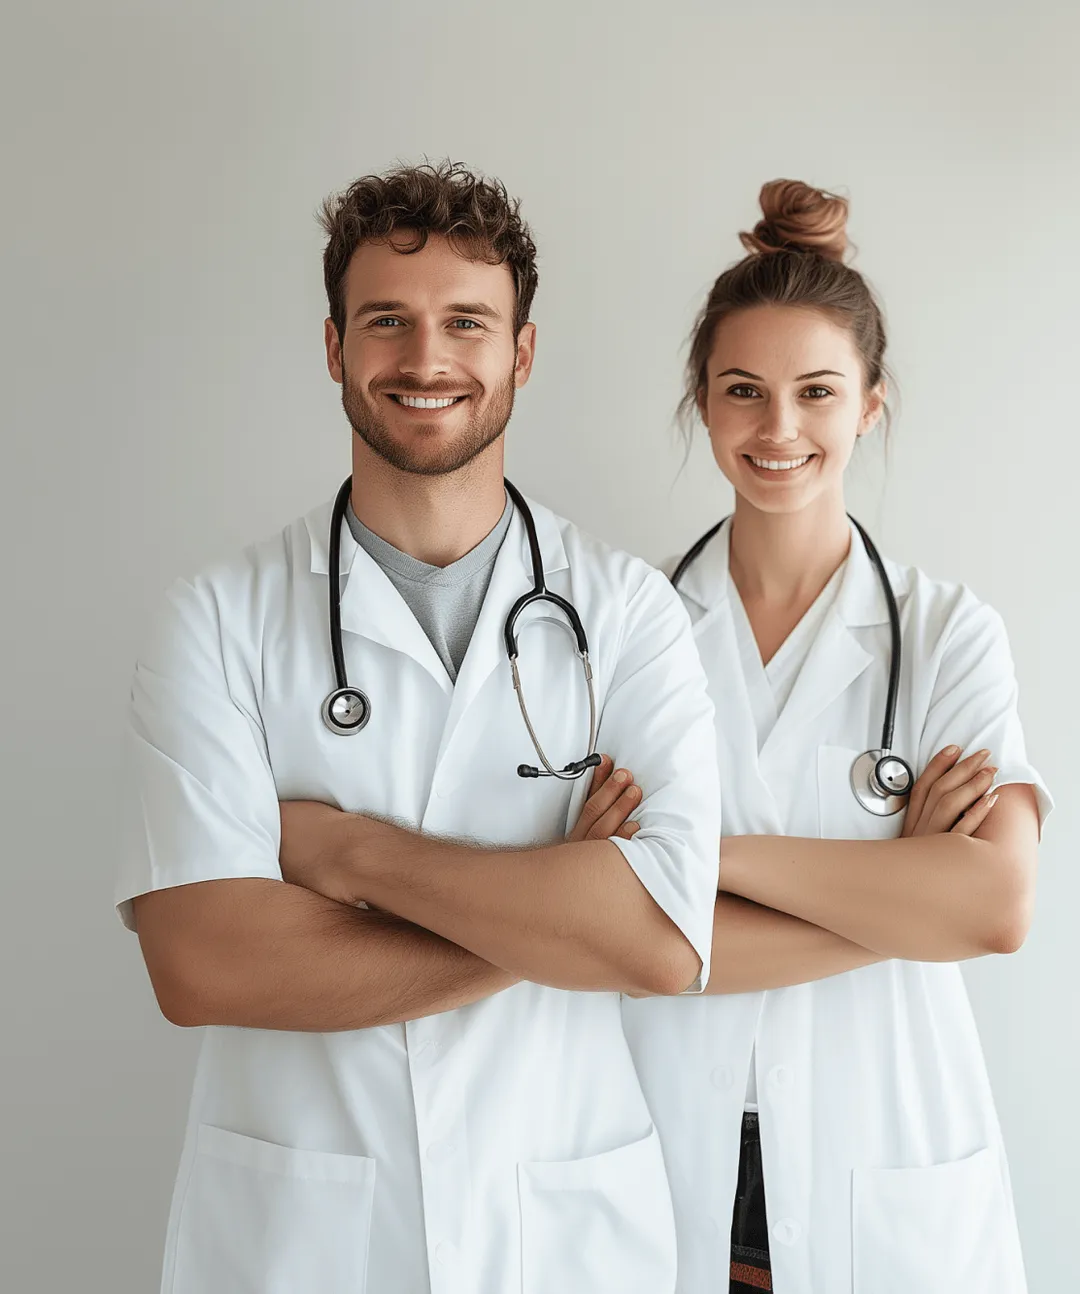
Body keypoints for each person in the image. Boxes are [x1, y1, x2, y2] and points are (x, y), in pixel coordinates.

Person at [116, 161, 722, 1294]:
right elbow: (204, 964)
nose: (426, 359)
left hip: (560, 1235)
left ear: (521, 354)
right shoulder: (216, 619)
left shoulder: (629, 611)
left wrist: (353, 855)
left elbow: (658, 943)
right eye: (387, 321)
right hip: (300, 1244)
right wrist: (555, 904)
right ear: (336, 346)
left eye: (466, 323)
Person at [618, 180, 1051, 1294]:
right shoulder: (622, 631)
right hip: (662, 1145)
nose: (778, 429)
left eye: (816, 391)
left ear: (870, 404)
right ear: (701, 404)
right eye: (743, 391)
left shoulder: (952, 634)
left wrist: (690, 857)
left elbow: (995, 908)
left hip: (882, 1153)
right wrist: (898, 887)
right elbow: (603, 927)